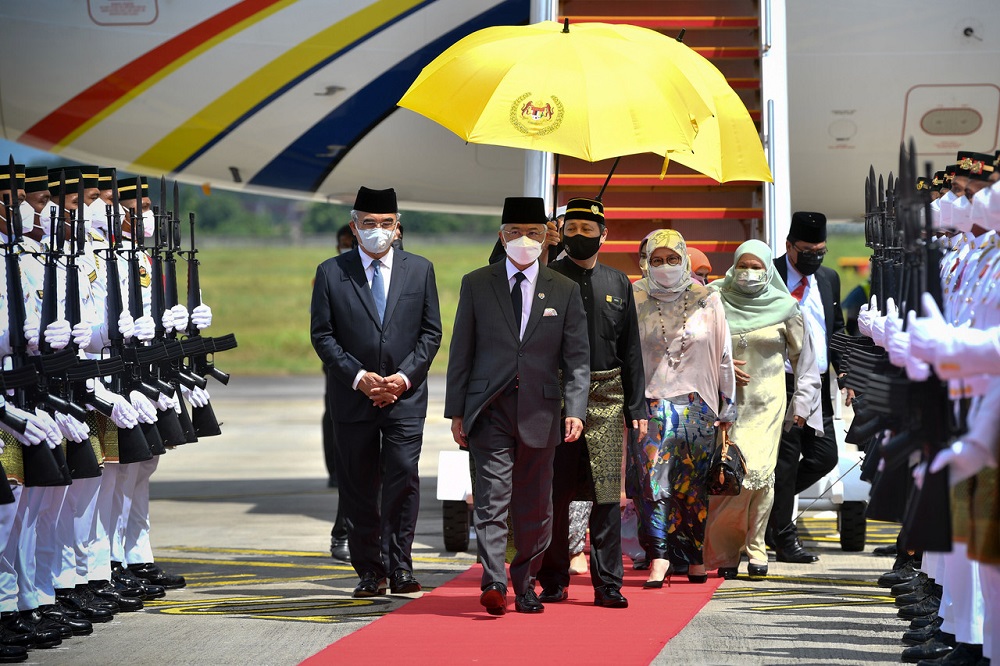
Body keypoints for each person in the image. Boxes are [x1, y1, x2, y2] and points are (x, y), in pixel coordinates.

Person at [445, 196, 589, 616]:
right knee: (491, 499)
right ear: (501, 236)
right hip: (489, 408)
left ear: (547, 237)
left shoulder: (564, 289)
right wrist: (457, 411)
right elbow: (461, 352)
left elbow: (577, 358)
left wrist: (575, 409)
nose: (524, 241)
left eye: (533, 233)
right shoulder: (477, 283)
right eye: (515, 233)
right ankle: (493, 580)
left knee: (535, 506)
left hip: (542, 413)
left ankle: (524, 582)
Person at [310, 186, 442, 598]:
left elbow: (430, 332)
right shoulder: (332, 272)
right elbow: (323, 335)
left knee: (403, 477)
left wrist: (402, 378)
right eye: (369, 224)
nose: (377, 231)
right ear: (354, 227)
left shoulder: (419, 269)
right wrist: (359, 376)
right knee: (358, 484)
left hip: (404, 396)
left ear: (398, 228)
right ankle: (370, 569)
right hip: (353, 397)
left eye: (386, 224)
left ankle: (401, 565)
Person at [536, 198, 646, 609]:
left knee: (606, 496)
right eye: (572, 229)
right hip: (558, 399)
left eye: (588, 230)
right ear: (561, 231)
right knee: (556, 493)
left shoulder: (618, 283)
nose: (579, 237)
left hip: (608, 397)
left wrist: (637, 408)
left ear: (605, 234)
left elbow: (631, 350)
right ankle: (553, 578)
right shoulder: (546, 276)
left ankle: (607, 584)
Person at [704, 240, 821, 579]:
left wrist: (802, 404)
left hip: (768, 403)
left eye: (757, 267)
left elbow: (806, 361)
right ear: (734, 265)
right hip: (725, 402)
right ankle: (726, 552)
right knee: (730, 476)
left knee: (758, 476)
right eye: (744, 265)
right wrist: (720, 366)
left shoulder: (786, 307)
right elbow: (692, 346)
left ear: (769, 269)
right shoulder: (715, 300)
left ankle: (756, 547)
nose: (750, 273)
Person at [627, 229, 736, 587]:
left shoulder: (708, 298)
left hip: (698, 404)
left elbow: (723, 355)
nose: (665, 267)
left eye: (673, 259)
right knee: (652, 482)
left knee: (692, 487)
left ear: (685, 259)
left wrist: (727, 405)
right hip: (652, 402)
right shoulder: (635, 295)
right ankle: (659, 555)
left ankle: (692, 557)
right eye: (657, 260)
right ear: (646, 262)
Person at [767, 212, 845, 563]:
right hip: (781, 382)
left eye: (821, 250)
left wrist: (846, 375)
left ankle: (768, 505)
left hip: (817, 384)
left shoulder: (828, 279)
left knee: (824, 456)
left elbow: (837, 329)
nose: (815, 256)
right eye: (807, 250)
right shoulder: (770, 276)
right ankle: (784, 537)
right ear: (789, 246)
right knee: (784, 462)